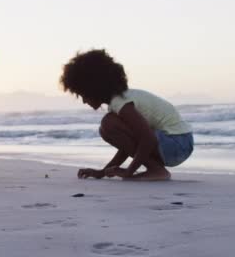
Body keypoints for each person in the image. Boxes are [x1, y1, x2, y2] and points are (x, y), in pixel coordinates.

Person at [60, 49, 193, 181]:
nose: (83, 101)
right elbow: (129, 146)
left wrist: (129, 171)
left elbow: (147, 139)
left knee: (108, 124)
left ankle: (157, 171)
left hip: (177, 144)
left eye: (83, 94)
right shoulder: (119, 102)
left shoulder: (121, 103)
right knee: (106, 128)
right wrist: (102, 173)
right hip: (179, 144)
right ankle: (156, 169)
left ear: (94, 88)